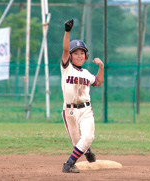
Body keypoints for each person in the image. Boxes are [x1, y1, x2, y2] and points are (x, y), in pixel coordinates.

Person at [61, 19, 104, 173]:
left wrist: (101, 67)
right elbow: (65, 50)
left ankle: (68, 164)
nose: (79, 55)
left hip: (86, 110)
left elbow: (98, 82)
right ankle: (87, 151)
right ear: (71, 56)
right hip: (69, 111)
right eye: (76, 53)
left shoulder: (86, 74)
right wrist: (67, 31)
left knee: (88, 136)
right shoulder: (67, 69)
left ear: (86, 56)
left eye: (82, 53)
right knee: (77, 141)